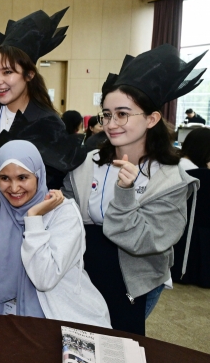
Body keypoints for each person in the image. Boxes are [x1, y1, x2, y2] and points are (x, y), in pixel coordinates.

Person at [62, 44, 203, 335]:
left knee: (118, 344)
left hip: (133, 283)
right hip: (84, 274)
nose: (111, 124)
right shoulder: (87, 163)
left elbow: (144, 241)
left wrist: (125, 193)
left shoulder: (171, 178)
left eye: (123, 114)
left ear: (151, 119)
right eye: (106, 114)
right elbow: (68, 214)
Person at [0, 8, 86, 291]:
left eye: (8, 72)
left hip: (11, 231)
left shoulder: (46, 123)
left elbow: (48, 187)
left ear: (30, 74)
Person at [0, 140, 110, 327]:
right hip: (13, 316)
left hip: (64, 315)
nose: (14, 188)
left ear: (39, 176)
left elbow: (44, 278)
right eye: (4, 178)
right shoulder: (5, 213)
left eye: (23, 177)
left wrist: (33, 218)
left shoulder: (63, 211)